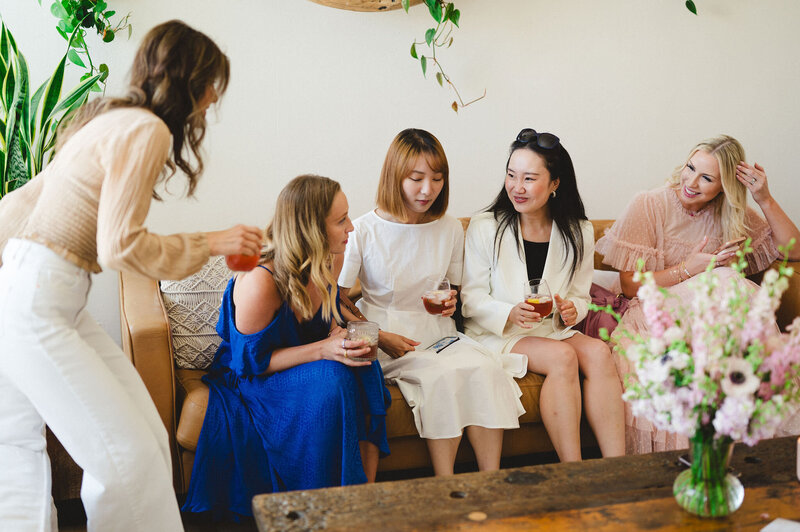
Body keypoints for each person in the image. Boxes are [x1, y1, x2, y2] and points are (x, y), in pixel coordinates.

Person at [0, 20, 264, 531]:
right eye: (213, 85)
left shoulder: (105, 119)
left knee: (136, 440)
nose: (213, 100)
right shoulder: (146, 129)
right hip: (39, 299)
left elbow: (20, 203)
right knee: (127, 456)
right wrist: (216, 242)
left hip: (38, 293)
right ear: (192, 80)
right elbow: (119, 245)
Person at [183, 175, 390, 520]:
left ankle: (360, 499)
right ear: (311, 228)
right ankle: (316, 509)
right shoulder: (261, 280)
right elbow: (251, 364)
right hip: (255, 377)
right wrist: (325, 349)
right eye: (340, 221)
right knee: (332, 378)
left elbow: (329, 323)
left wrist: (345, 338)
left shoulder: (329, 259)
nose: (351, 227)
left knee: (365, 366)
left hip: (304, 365)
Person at [596, 134, 800, 454]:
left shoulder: (731, 212)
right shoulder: (649, 204)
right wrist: (690, 269)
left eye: (706, 178)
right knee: (724, 279)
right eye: (690, 168)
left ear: (724, 186)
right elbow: (630, 286)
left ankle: (741, 437)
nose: (690, 182)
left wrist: (763, 197)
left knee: (727, 282)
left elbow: (794, 249)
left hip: (703, 317)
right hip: (649, 311)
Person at [338, 129, 526, 476]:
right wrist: (378, 335)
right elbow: (336, 299)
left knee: (487, 370)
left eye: (437, 179)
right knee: (440, 375)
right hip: (388, 337)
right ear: (395, 176)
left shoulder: (450, 228)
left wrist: (450, 304)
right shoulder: (364, 229)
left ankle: (492, 482)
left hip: (439, 332)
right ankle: (445, 484)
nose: (428, 189)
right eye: (416, 178)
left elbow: (450, 290)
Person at [461, 128, 625, 462]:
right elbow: (471, 298)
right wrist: (509, 313)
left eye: (529, 178)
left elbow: (580, 297)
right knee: (562, 358)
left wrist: (571, 311)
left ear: (555, 184)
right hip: (498, 333)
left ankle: (616, 466)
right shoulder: (485, 226)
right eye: (511, 175)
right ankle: (573, 469)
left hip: (551, 329)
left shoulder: (578, 230)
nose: (516, 188)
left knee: (598, 352)